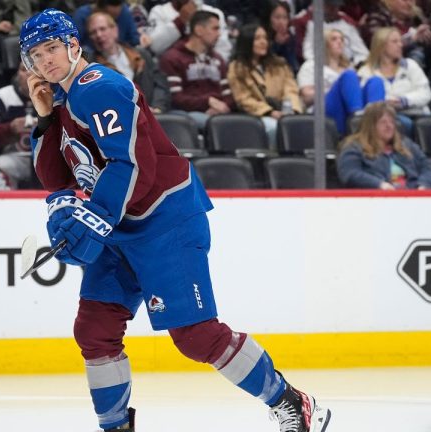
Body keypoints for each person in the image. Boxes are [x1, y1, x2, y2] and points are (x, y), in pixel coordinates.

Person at [18, 8, 332, 432]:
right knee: (94, 329)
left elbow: (131, 165)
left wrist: (94, 218)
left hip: (163, 220)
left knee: (196, 337)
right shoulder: (65, 100)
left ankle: (291, 401)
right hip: (119, 227)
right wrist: (45, 118)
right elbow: (58, 176)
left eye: (52, 48)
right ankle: (116, 427)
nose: (45, 61)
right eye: (36, 55)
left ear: (73, 44)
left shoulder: (100, 88)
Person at [298, 28, 385, 135]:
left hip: (347, 107)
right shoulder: (311, 65)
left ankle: (376, 119)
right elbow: (306, 95)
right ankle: (357, 120)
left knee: (376, 81)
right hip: (323, 109)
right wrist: (335, 88)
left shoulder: (348, 67)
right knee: (348, 76)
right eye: (334, 39)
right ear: (324, 43)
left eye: (341, 39)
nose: (339, 42)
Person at [227, 24, 302, 146]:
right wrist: (269, 112)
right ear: (247, 41)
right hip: (256, 115)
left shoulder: (279, 64)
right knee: (273, 127)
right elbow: (243, 99)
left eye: (265, 38)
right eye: (257, 39)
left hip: (284, 112)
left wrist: (291, 110)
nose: (263, 42)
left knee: (303, 125)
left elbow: (291, 89)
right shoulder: (237, 68)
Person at [159, 10, 234, 131]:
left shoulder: (218, 59)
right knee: (215, 125)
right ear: (199, 30)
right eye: (215, 29)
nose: (219, 34)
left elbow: (228, 94)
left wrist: (224, 106)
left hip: (219, 112)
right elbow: (176, 98)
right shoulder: (172, 58)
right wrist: (207, 102)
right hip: (187, 113)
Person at [338, 101, 431, 189]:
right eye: (383, 122)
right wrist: (379, 184)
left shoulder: (407, 144)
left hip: (411, 197)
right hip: (375, 200)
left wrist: (424, 185)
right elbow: (350, 174)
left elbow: (427, 168)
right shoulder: (354, 147)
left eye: (392, 122)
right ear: (370, 125)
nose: (389, 126)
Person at [86, 11, 170, 113]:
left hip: (155, 113)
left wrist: (157, 107)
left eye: (102, 29)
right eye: (93, 32)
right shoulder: (92, 69)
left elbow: (160, 84)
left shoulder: (141, 54)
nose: (98, 35)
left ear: (115, 30)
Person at [357, 27, 431, 136]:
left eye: (400, 41)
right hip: (388, 117)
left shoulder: (410, 65)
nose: (400, 45)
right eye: (395, 42)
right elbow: (366, 101)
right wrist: (389, 102)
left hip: (418, 113)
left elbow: (426, 93)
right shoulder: (366, 71)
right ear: (381, 46)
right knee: (402, 123)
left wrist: (404, 101)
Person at [0, 63, 37, 188]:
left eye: (34, 70)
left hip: (49, 159)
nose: (28, 74)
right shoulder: (4, 95)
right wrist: (10, 128)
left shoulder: (55, 94)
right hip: (15, 157)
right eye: (24, 70)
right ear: (17, 74)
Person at [147, 0, 233, 62]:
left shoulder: (214, 13)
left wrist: (209, 65)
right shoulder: (159, 11)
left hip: (208, 71)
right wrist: (180, 21)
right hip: (170, 71)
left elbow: (223, 49)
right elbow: (155, 47)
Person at [361, 0, 431, 67]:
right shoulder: (378, 17)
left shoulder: (417, 17)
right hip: (390, 65)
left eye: (411, 0)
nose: (409, 4)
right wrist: (410, 39)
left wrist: (429, 35)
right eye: (404, 0)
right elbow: (378, 43)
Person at [302, 0, 368, 65]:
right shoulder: (313, 26)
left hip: (346, 65)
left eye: (336, 6)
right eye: (329, 6)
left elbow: (363, 52)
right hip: (321, 66)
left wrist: (353, 65)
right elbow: (307, 52)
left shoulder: (348, 27)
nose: (333, 9)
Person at [73, 0, 146, 50]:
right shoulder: (81, 16)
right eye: (110, 16)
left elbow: (134, 39)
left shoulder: (124, 12)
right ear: (98, 8)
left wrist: (142, 38)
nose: (112, 22)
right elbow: (73, 46)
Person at [265, 0, 301, 73]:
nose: (281, 22)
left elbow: (293, 66)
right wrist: (277, 44)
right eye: (277, 17)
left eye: (285, 18)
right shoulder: (263, 36)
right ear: (269, 18)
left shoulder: (290, 37)